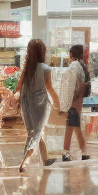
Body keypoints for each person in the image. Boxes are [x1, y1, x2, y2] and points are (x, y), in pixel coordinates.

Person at [16, 39, 62, 173]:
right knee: (37, 132)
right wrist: (58, 105)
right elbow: (50, 88)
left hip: (26, 103)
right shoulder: (45, 68)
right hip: (40, 103)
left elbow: (19, 87)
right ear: (42, 52)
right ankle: (25, 161)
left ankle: (46, 159)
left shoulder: (27, 68)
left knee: (34, 131)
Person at [58, 44, 92, 163]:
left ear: (71, 54)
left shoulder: (73, 66)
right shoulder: (82, 65)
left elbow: (68, 86)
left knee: (71, 127)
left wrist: (64, 104)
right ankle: (81, 152)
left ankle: (67, 153)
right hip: (78, 102)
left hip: (73, 102)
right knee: (74, 127)